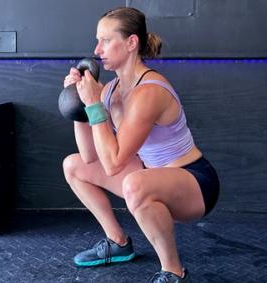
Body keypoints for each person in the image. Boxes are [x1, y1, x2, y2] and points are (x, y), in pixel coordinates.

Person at [62, 7, 220, 283]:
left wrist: (94, 104)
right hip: (149, 173)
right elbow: (90, 156)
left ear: (132, 42)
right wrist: (78, 105)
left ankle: (173, 271)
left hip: (195, 183)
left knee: (135, 185)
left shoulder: (149, 91)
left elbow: (113, 162)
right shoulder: (110, 90)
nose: (97, 49)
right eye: (97, 41)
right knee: (73, 166)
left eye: (106, 40)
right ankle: (118, 242)